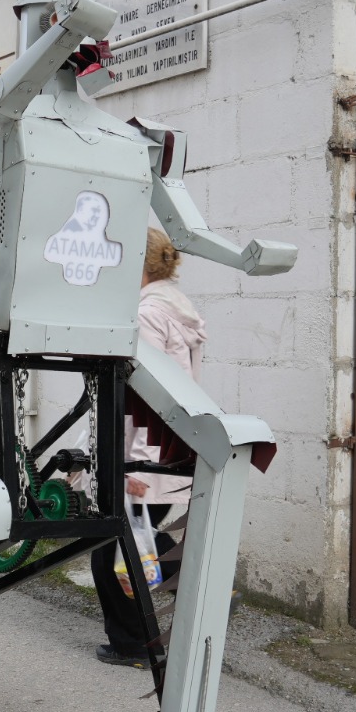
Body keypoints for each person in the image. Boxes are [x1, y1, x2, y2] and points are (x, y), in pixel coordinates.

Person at [93, 228, 207, 667]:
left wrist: (136, 465)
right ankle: (152, 630)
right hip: (160, 450)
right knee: (130, 544)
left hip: (145, 455)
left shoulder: (148, 314)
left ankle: (138, 641)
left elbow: (151, 395)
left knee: (115, 550)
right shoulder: (173, 309)